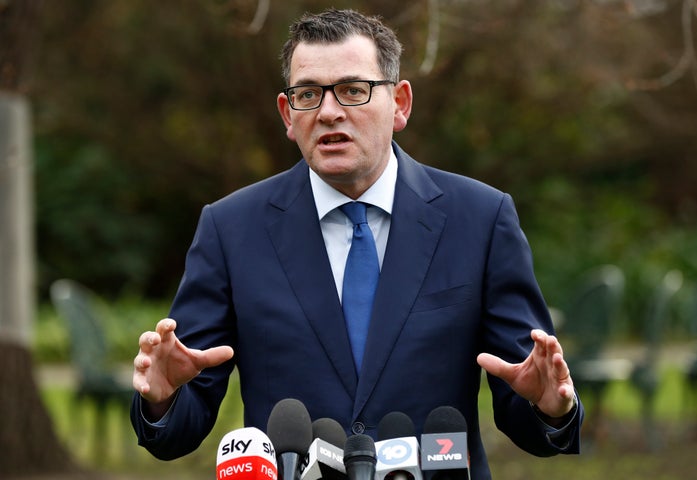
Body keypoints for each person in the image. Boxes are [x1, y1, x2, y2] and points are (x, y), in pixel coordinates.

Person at [131, 8, 583, 480]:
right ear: (288, 115)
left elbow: (528, 404)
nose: (328, 112)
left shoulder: (481, 219)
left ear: (400, 103)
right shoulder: (230, 229)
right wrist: (163, 400)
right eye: (308, 94)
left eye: (352, 90)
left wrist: (549, 409)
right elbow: (182, 424)